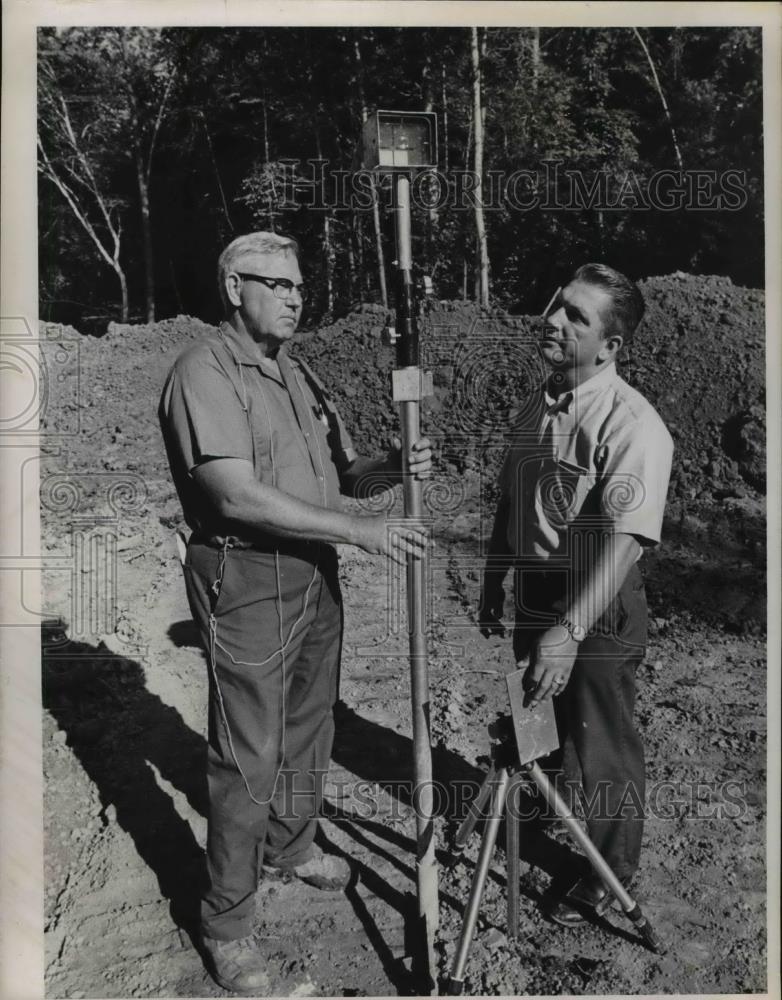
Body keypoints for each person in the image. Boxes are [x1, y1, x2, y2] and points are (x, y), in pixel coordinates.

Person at [158, 231, 432, 993]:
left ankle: (291, 846)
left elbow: (343, 472)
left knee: (311, 726)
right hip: (246, 577)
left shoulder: (294, 370)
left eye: (299, 285)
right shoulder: (204, 372)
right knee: (249, 754)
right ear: (232, 288)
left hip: (313, 574)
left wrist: (395, 466)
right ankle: (227, 921)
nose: (293, 296)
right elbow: (234, 494)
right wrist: (359, 530)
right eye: (275, 284)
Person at [479, 262, 673, 926]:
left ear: (611, 346)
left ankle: (609, 871)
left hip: (595, 601)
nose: (554, 321)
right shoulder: (540, 402)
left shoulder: (632, 424)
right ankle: (542, 803)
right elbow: (513, 498)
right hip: (536, 590)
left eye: (576, 317)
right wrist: (493, 576)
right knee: (534, 713)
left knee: (602, 746)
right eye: (557, 304)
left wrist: (567, 633)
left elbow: (626, 542)